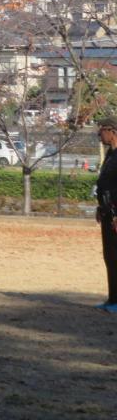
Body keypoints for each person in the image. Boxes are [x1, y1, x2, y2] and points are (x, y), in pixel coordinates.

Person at [95, 117, 117, 312]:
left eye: (102, 131)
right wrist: (100, 207)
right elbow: (105, 184)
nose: (99, 135)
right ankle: (112, 299)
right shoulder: (111, 155)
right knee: (109, 256)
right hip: (107, 212)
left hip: (116, 214)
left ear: (113, 132)